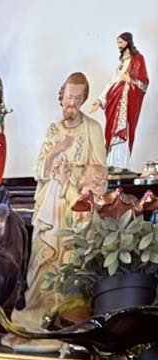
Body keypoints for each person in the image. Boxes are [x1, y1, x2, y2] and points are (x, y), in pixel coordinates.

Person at [22, 72, 107, 314]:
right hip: (51, 200)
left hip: (76, 202)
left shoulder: (92, 128)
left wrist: (81, 183)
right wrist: (54, 152)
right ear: (61, 97)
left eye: (78, 99)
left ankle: (68, 309)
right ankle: (41, 306)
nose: (72, 103)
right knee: (44, 251)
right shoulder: (53, 130)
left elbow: (100, 169)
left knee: (71, 252)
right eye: (69, 97)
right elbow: (38, 171)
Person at [92, 32, 149, 171]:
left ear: (128, 42)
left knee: (123, 129)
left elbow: (144, 83)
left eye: (121, 42)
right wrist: (100, 99)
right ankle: (112, 162)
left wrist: (131, 80)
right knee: (112, 130)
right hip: (114, 98)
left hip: (126, 101)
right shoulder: (121, 62)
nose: (119, 45)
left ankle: (121, 164)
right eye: (118, 42)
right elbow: (112, 81)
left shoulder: (138, 59)